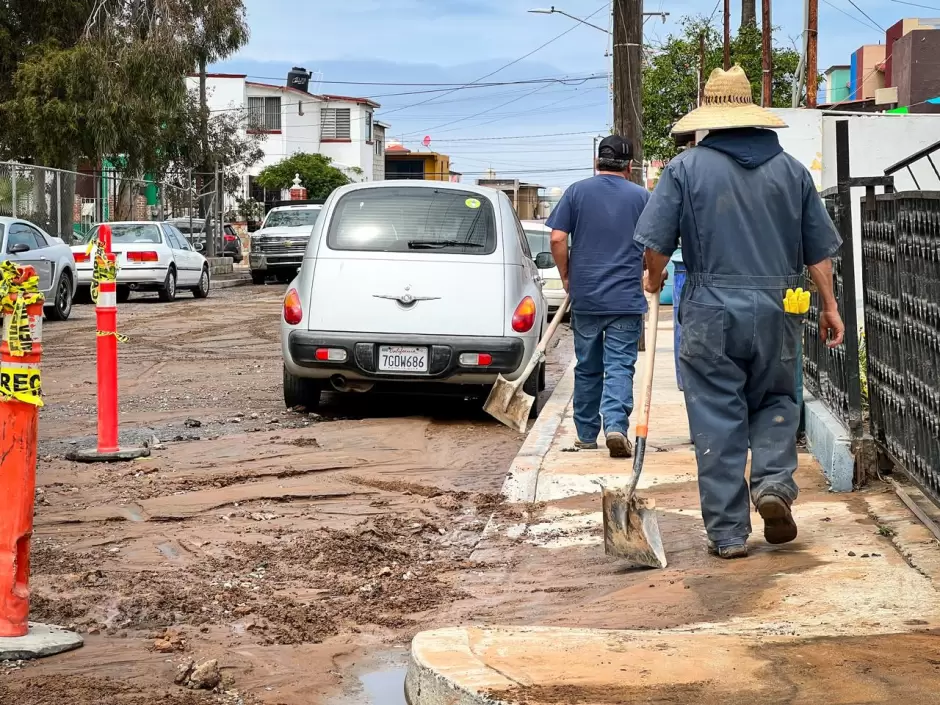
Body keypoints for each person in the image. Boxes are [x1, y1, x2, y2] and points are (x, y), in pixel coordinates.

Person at [634, 66, 845, 559]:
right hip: (779, 308)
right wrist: (830, 307)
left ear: (709, 116)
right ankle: (773, 484)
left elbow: (656, 247)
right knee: (775, 399)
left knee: (716, 414)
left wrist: (654, 277)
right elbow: (819, 253)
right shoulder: (792, 171)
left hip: (711, 309)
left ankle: (729, 534)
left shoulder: (685, 169)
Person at [546, 135, 650, 458]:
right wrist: (650, 272)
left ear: (597, 163)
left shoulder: (576, 192)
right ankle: (616, 426)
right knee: (619, 364)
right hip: (625, 298)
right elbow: (654, 243)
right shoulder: (642, 197)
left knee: (588, 365)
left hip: (587, 297)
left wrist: (566, 275)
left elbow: (557, 237)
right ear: (630, 166)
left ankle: (586, 434)